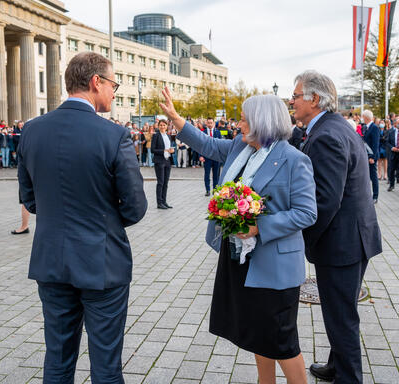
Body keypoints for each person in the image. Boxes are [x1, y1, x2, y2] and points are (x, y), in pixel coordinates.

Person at [160, 87, 317, 384]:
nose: (239, 124)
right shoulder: (239, 148)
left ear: (263, 122)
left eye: (244, 120)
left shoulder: (294, 159)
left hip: (275, 266)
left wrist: (260, 226)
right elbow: (205, 143)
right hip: (240, 260)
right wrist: (177, 119)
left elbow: (307, 213)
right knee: (259, 334)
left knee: (283, 340)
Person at [17, 51, 147, 383]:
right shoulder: (114, 135)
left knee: (57, 359)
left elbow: (29, 200)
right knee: (105, 365)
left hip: (51, 261)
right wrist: (102, 223)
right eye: (114, 84)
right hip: (102, 262)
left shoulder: (31, 131)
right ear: (95, 82)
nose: (114, 92)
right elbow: (135, 206)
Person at [290, 70, 381, 384]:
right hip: (355, 237)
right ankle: (336, 364)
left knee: (341, 317)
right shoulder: (335, 126)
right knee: (340, 310)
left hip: (342, 243)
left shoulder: (326, 134)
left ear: (314, 99)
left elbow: (325, 199)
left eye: (296, 95)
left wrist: (303, 239)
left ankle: (348, 377)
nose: (292, 100)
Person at [151, 119, 174, 209]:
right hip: (159, 161)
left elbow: (169, 148)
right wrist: (164, 150)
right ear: (158, 126)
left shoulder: (168, 136)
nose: (162, 127)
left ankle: (164, 201)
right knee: (160, 182)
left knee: (166, 182)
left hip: (167, 160)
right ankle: (159, 203)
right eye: (160, 125)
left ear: (167, 126)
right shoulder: (156, 136)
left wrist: (171, 151)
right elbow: (153, 150)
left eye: (164, 125)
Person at [200, 117, 222, 196]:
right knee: (207, 174)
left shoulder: (218, 132)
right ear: (206, 123)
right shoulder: (203, 132)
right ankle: (207, 190)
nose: (209, 124)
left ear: (213, 123)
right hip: (207, 157)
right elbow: (200, 145)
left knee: (216, 175)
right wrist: (201, 155)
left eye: (211, 123)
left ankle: (215, 190)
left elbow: (221, 145)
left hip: (216, 157)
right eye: (208, 123)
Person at [362, 110, 380, 203]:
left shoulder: (374, 128)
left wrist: (373, 157)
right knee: (367, 176)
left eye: (363, 117)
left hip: (371, 157)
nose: (362, 118)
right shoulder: (366, 127)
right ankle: (369, 195)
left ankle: (375, 196)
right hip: (366, 156)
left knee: (373, 177)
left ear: (366, 117)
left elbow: (375, 144)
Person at [387, 117, 399, 191]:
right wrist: (392, 148)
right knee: (391, 169)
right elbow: (387, 142)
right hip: (393, 153)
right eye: (398, 123)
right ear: (394, 124)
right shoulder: (391, 132)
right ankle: (391, 185)